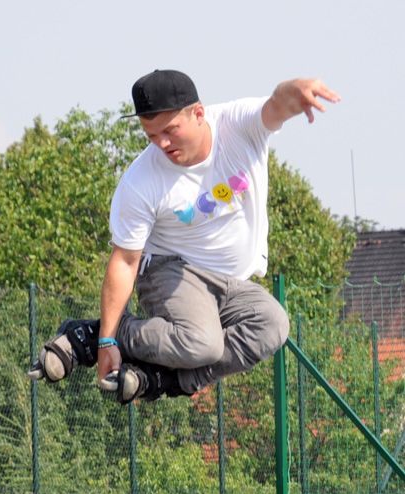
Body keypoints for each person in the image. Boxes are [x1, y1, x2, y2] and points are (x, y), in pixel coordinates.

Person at [29, 69, 340, 404]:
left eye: (170, 131)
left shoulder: (238, 127)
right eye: (151, 136)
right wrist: (108, 341)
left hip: (233, 282)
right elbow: (125, 261)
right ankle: (94, 335)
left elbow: (278, 103)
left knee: (273, 324)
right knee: (202, 343)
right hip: (172, 272)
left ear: (199, 113)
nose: (162, 144)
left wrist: (297, 90)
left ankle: (166, 380)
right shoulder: (141, 182)